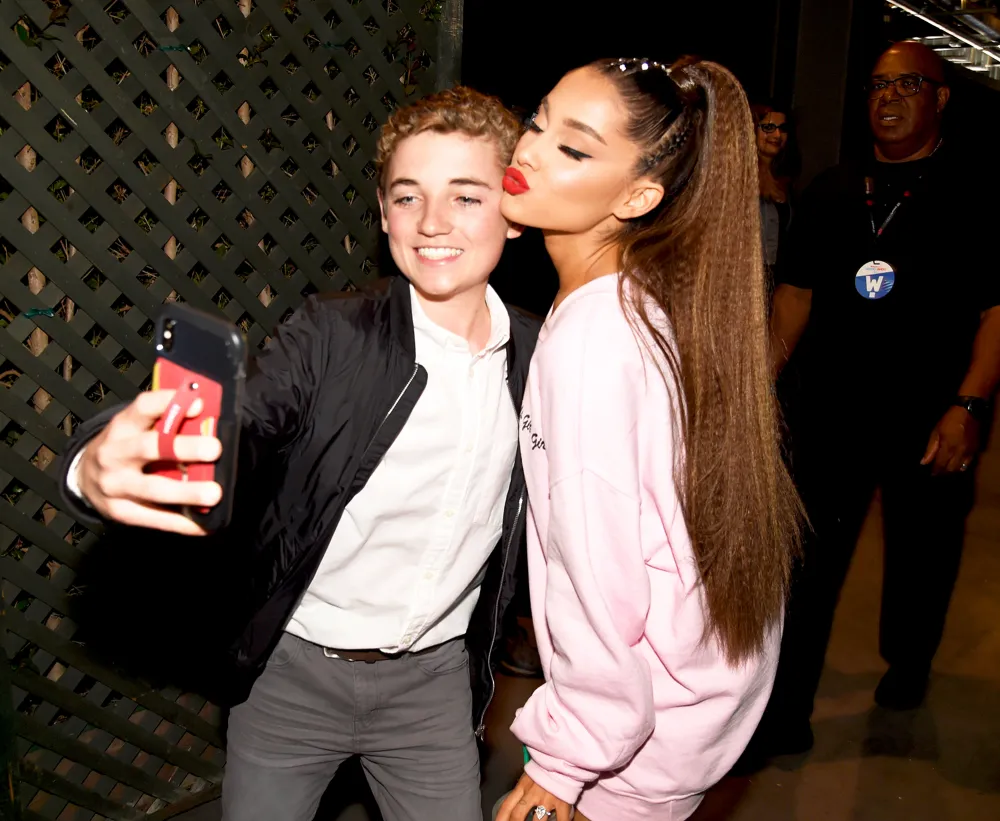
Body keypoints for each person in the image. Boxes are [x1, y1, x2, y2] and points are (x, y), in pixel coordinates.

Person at [57, 87, 541, 821]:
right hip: (293, 675)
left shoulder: (546, 358)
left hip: (434, 687)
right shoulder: (333, 333)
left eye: (466, 196)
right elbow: (242, 424)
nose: (434, 222)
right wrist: (101, 457)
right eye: (408, 197)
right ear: (383, 215)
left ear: (513, 209)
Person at [494, 56, 802, 821]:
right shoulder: (640, 301)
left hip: (627, 751)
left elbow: (601, 577)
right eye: (539, 119)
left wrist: (569, 759)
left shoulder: (594, 340)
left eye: (574, 147)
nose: (528, 150)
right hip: (679, 724)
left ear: (638, 195)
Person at [759, 41, 1000, 757]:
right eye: (876, 85)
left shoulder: (975, 191)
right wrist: (761, 383)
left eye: (907, 85)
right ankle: (786, 708)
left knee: (922, 558)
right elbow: (794, 300)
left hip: (931, 416)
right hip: (831, 413)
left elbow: (996, 311)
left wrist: (971, 405)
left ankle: (909, 657)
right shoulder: (835, 189)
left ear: (942, 97)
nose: (887, 97)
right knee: (806, 564)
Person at [751, 102, 799, 288]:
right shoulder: (739, 177)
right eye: (768, 127)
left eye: (783, 128)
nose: (777, 135)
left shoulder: (786, 179)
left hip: (776, 281)